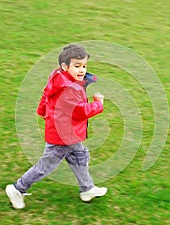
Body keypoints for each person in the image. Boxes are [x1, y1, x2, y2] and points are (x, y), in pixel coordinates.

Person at [6, 44, 108, 209]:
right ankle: (18, 189)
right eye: (77, 66)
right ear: (65, 66)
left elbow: (47, 94)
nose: (82, 70)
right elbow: (80, 111)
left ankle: (87, 188)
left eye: (84, 66)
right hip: (62, 137)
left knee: (80, 156)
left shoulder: (60, 78)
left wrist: (42, 110)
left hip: (68, 133)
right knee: (45, 167)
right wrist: (99, 104)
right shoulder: (68, 89)